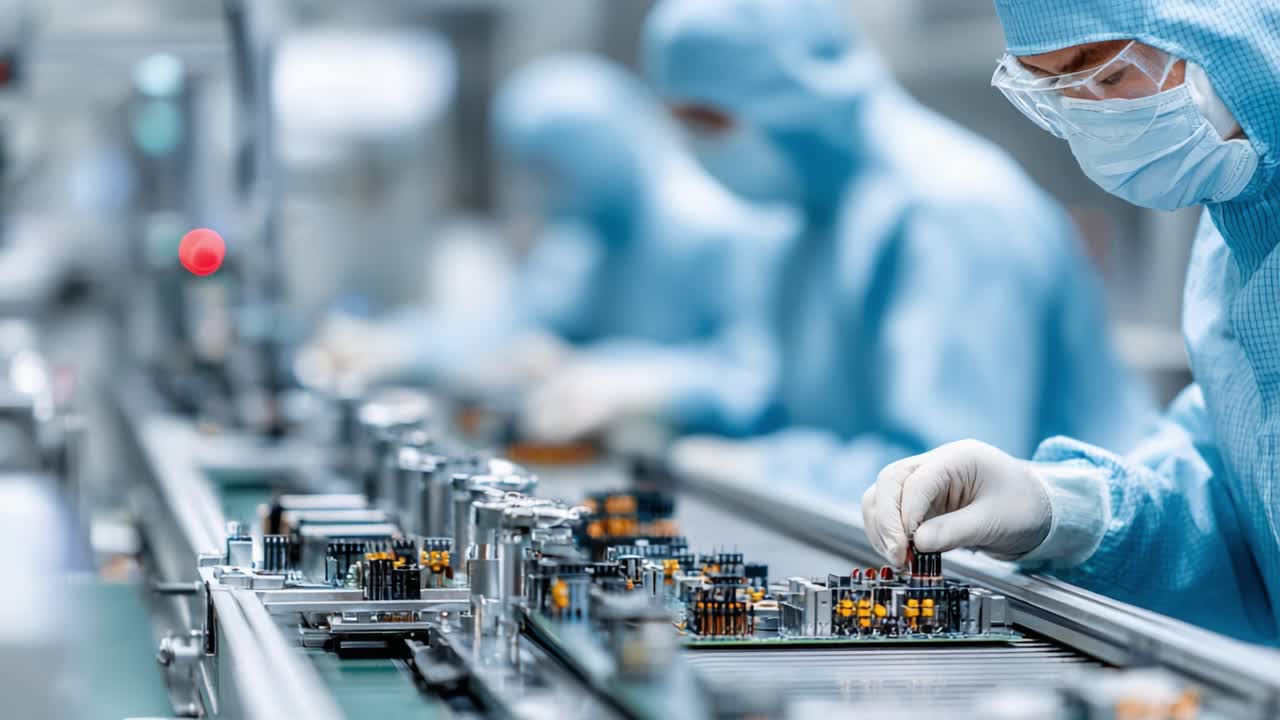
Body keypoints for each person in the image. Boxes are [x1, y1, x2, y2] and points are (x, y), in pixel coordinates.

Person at [860, 0, 1280, 644]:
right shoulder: (1234, 245)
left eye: (1110, 77)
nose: (1098, 116)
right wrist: (1065, 511)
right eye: (1057, 89)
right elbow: (1244, 511)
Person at [645, 0, 1153, 498]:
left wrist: (767, 467)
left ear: (791, 94)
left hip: (1055, 572)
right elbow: (787, 399)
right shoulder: (814, 214)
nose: (694, 147)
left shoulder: (950, 211)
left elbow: (946, 476)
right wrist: (660, 391)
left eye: (706, 120)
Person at [304, 55, 794, 440]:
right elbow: (512, 326)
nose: (545, 192)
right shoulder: (588, 236)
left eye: (555, 171)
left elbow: (754, 378)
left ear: (602, 147)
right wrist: (402, 344)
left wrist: (644, 385)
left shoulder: (717, 224)